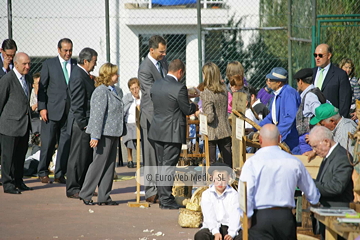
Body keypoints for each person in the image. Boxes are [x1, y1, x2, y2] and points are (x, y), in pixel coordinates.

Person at [239, 124, 320, 240]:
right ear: (279, 138)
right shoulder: (293, 162)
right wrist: (316, 202)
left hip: (260, 218)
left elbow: (246, 192)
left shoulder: (252, 163)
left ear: (260, 139)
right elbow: (312, 193)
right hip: (285, 217)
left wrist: (247, 217)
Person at [148, 59, 196, 209]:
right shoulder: (179, 87)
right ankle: (166, 200)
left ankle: (164, 197)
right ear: (180, 71)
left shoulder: (156, 85)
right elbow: (187, 110)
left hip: (157, 130)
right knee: (168, 166)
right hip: (172, 132)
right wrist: (194, 104)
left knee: (162, 165)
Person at [79, 63, 124, 206]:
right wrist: (95, 136)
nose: (117, 76)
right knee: (98, 164)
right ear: (109, 75)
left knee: (110, 165)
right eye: (115, 73)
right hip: (103, 134)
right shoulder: (101, 91)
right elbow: (98, 115)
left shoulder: (116, 90)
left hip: (113, 133)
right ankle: (86, 194)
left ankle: (104, 196)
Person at [37, 38, 76, 184]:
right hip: (51, 111)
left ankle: (60, 173)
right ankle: (42, 171)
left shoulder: (74, 64)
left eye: (70, 50)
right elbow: (42, 88)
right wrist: (42, 107)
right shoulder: (49, 64)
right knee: (48, 143)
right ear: (59, 50)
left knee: (65, 143)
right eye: (65, 50)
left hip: (68, 112)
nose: (68, 53)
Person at [308, 126, 353, 240]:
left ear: (326, 142)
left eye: (315, 146)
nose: (314, 150)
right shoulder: (329, 155)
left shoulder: (342, 157)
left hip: (338, 217)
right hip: (328, 215)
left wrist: (310, 183)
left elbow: (337, 187)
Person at [138, 35, 168, 203]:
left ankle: (161, 188)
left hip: (163, 115)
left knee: (161, 154)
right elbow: (153, 91)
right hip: (150, 116)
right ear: (152, 50)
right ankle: (150, 191)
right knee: (150, 154)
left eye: (164, 52)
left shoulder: (163, 62)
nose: (164, 55)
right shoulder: (145, 69)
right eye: (161, 52)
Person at [65, 48, 98, 199]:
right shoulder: (79, 76)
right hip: (81, 124)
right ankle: (73, 188)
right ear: (85, 61)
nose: (95, 65)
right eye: (93, 62)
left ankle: (84, 187)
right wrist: (84, 124)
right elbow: (78, 104)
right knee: (77, 157)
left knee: (85, 156)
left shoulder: (83, 74)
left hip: (85, 122)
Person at [0, 52, 33, 194]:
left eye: (29, 63)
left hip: (24, 124)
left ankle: (19, 181)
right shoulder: (7, 79)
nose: (27, 66)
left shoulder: (28, 79)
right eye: (24, 64)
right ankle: (8, 183)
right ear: (17, 64)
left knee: (20, 155)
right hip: (9, 125)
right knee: (8, 156)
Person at [194, 162, 242, 240]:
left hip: (229, 227)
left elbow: (235, 216)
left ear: (228, 178)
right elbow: (209, 216)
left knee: (245, 236)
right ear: (212, 178)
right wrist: (215, 232)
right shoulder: (207, 194)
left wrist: (231, 234)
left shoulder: (234, 195)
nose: (220, 182)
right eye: (217, 179)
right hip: (211, 228)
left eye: (223, 179)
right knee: (200, 236)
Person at [259, 67, 301, 151]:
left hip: (291, 141)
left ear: (279, 82)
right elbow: (271, 117)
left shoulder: (289, 93)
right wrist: (257, 128)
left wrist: (276, 133)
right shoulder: (276, 94)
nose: (268, 82)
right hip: (283, 138)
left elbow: (291, 117)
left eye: (271, 80)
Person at [201, 62, 232, 167]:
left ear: (206, 76)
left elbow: (210, 117)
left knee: (211, 164)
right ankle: (230, 182)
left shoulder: (206, 93)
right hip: (225, 129)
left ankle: (212, 182)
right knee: (228, 162)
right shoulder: (224, 89)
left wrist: (199, 114)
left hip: (211, 133)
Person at [312, 43, 352, 118]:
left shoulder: (340, 75)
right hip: (313, 120)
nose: (317, 58)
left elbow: (345, 100)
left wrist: (339, 121)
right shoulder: (312, 73)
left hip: (332, 120)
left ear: (329, 56)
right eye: (315, 55)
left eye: (320, 55)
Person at [293, 68, 326, 155]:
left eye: (297, 82)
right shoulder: (316, 92)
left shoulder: (310, 96)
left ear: (300, 81)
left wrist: (315, 135)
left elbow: (322, 114)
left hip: (308, 139)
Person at [122, 77, 141, 168]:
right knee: (128, 136)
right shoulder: (127, 98)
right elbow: (122, 111)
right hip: (129, 123)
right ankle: (130, 158)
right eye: (132, 89)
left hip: (140, 124)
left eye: (136, 88)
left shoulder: (143, 98)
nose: (135, 91)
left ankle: (141, 158)